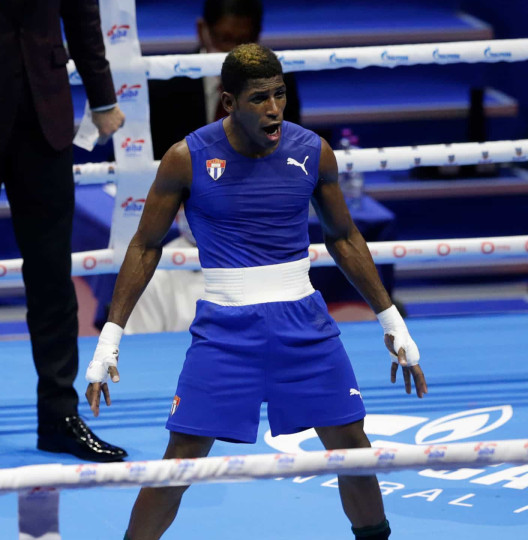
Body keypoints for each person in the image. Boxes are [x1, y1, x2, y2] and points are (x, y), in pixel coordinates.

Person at [84, 44, 425, 540]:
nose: (273, 109)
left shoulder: (312, 151)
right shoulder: (187, 159)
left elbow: (344, 237)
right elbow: (144, 245)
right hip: (225, 330)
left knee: (353, 448)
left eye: (280, 95)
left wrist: (391, 321)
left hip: (304, 324)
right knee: (180, 460)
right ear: (229, 103)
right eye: (260, 98)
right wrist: (109, 338)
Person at [0, 0, 127, 462]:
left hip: (43, 108)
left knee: (53, 276)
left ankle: (58, 416)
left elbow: (80, 11)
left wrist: (104, 97)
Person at [148, 0, 301, 159]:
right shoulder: (165, 86)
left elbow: (287, 153)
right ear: (202, 31)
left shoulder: (277, 82)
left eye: (244, 42)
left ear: (257, 37)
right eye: (225, 39)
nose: (233, 54)